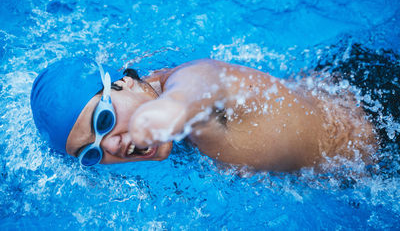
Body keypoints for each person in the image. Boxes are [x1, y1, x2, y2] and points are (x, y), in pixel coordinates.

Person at [30, 56, 377, 171]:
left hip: (381, 116)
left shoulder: (184, 86)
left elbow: (206, 83)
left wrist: (171, 109)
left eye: (103, 121)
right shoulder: (164, 130)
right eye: (92, 154)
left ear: (123, 84)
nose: (114, 147)